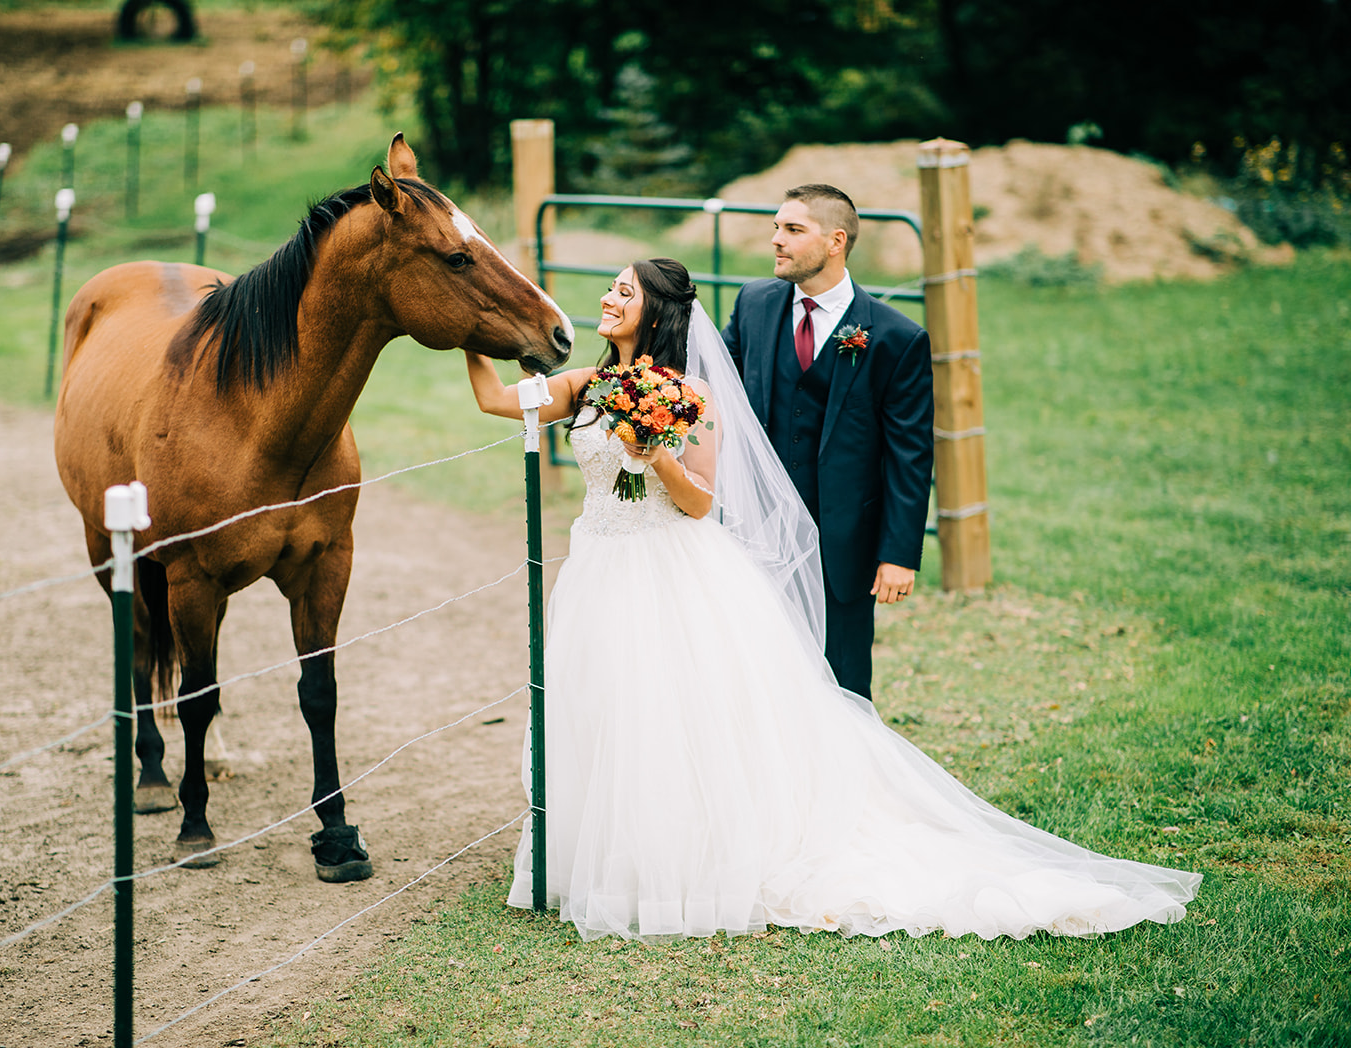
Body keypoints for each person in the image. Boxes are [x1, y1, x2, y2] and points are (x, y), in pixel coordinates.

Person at [463, 257, 1200, 944]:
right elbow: (495, 398)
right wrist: (467, 328)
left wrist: (655, 453)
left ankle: (676, 865)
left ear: (652, 315)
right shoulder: (583, 385)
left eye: (623, 292)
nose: (607, 299)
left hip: (668, 567)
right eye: (612, 289)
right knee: (602, 705)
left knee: (669, 711)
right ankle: (602, 854)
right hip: (599, 567)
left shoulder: (692, 397)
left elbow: (700, 503)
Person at [721, 184, 934, 699]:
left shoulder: (895, 338)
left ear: (835, 241)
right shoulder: (754, 303)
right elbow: (714, 386)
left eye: (793, 230)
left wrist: (898, 554)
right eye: (776, 228)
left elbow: (910, 454)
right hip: (755, 529)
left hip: (842, 545)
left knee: (841, 682)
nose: (776, 240)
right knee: (754, 672)